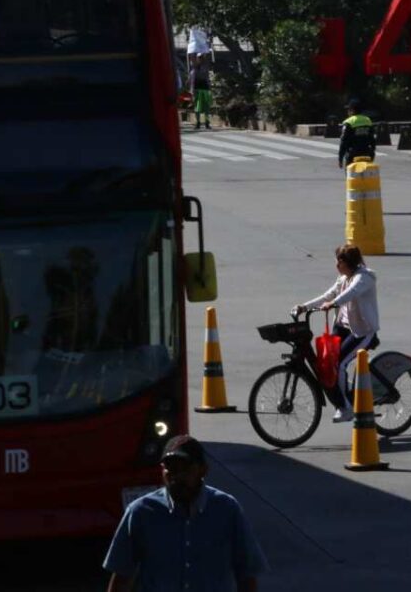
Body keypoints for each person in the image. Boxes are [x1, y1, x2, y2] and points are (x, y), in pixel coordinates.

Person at [104, 435, 268, 592]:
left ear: (203, 470)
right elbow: (121, 576)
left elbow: (247, 574)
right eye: (171, 469)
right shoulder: (140, 512)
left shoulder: (227, 509)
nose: (177, 476)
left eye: (185, 469)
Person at [293, 243, 379, 423]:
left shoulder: (364, 277)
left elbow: (351, 292)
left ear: (347, 263)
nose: (336, 266)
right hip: (343, 327)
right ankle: (345, 391)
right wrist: (304, 307)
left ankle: (345, 408)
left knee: (339, 364)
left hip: (361, 331)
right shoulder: (343, 278)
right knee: (327, 362)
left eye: (338, 262)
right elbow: (327, 296)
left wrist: (334, 304)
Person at [337, 98, 375, 168]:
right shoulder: (368, 120)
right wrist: (372, 154)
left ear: (352, 110)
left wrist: (340, 158)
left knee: (351, 176)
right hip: (366, 153)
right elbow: (372, 140)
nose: (347, 111)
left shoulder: (348, 122)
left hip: (352, 155)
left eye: (348, 109)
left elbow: (343, 142)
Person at [191, 53, 212, 130]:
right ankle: (198, 122)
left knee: (206, 107)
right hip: (197, 89)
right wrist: (192, 90)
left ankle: (207, 122)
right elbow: (192, 80)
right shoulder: (194, 69)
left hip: (205, 89)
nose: (201, 59)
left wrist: (210, 88)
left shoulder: (205, 67)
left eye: (202, 57)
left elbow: (207, 78)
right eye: (199, 58)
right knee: (197, 107)